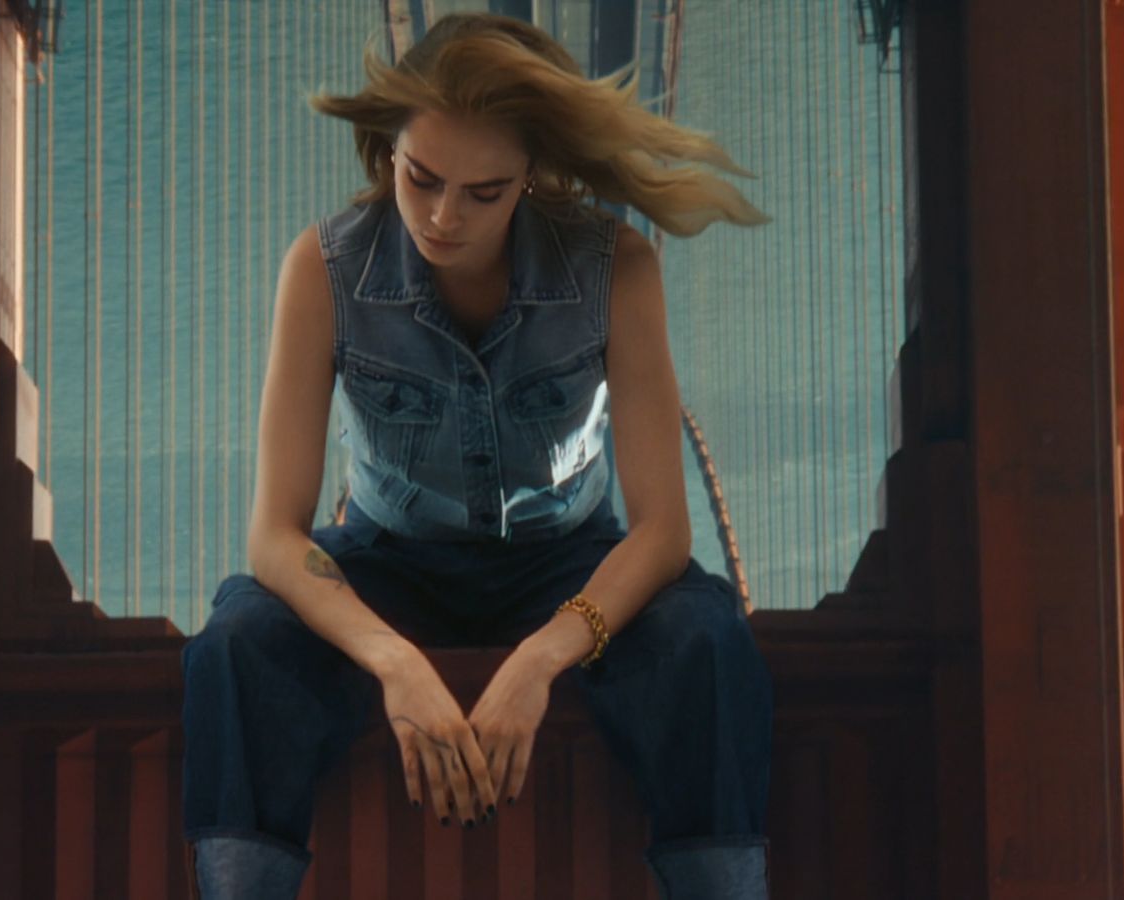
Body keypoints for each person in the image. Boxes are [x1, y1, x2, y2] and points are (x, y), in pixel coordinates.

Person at [180, 12, 774, 900]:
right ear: (388, 152)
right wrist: (394, 661)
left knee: (709, 641)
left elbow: (659, 533)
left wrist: (537, 662)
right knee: (236, 640)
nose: (442, 215)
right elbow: (273, 536)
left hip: (572, 563)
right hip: (386, 563)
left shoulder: (619, 269)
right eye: (420, 179)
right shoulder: (323, 270)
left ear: (534, 175)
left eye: (483, 193)